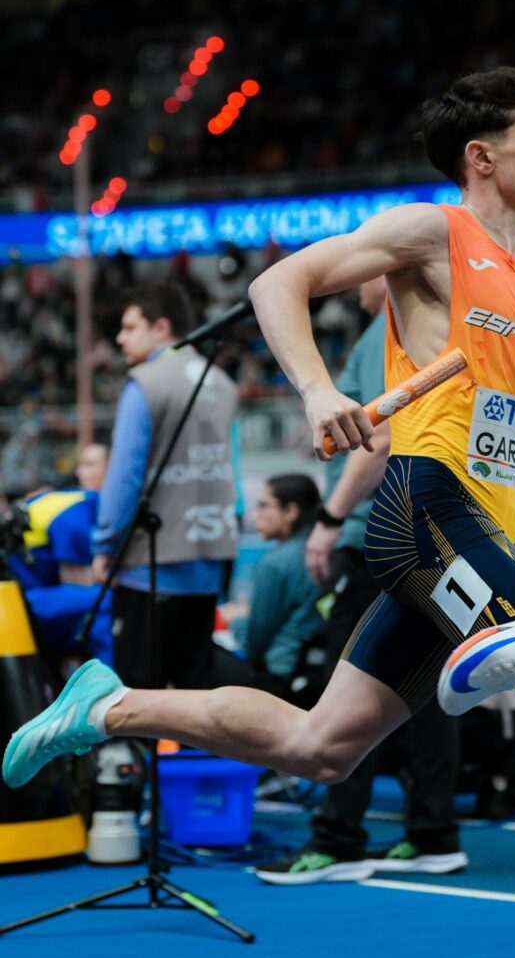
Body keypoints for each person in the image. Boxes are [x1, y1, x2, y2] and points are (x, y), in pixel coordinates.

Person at [3, 68, 515, 958]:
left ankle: (108, 705)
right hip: (421, 509)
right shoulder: (432, 234)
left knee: (320, 748)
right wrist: (322, 388)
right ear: (482, 157)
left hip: (479, 525)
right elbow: (282, 281)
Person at [257, 278, 466, 885]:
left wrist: (327, 520)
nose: (354, 276)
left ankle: (339, 837)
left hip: (385, 536)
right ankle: (433, 832)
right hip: (441, 531)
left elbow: (380, 438)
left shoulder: (396, 325)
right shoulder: (432, 319)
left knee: (346, 689)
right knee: (429, 690)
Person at [91, 281, 238, 690]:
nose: (120, 338)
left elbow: (124, 477)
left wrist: (105, 544)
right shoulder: (221, 383)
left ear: (161, 328)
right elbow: (230, 473)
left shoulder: (147, 381)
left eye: (129, 327)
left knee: (139, 702)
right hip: (210, 560)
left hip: (150, 567)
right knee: (194, 703)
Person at [212, 473, 325, 707]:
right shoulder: (328, 552)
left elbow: (254, 645)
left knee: (198, 656)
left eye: (264, 506)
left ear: (290, 512)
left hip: (281, 679)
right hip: (320, 673)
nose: (256, 516)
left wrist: (238, 619)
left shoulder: (274, 564)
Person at [8, 443, 113, 665]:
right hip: (17, 602)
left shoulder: (71, 500)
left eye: (91, 464)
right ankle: (114, 691)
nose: (81, 471)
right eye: (83, 464)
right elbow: (82, 578)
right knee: (111, 602)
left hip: (28, 600)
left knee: (98, 620)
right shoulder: (77, 508)